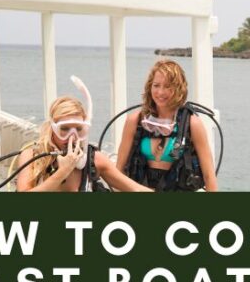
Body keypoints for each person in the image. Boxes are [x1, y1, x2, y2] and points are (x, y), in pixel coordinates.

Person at [16, 76, 150, 192]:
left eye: (79, 129)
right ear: (52, 128)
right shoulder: (32, 156)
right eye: (64, 129)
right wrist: (63, 171)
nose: (72, 136)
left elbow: (136, 189)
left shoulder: (94, 160)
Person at [116, 59, 217, 192]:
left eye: (168, 86)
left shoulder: (192, 124)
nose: (160, 92)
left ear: (178, 89)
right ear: (149, 87)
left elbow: (209, 176)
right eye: (156, 85)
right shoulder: (135, 120)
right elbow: (119, 170)